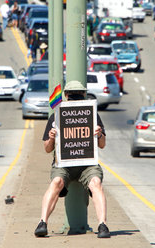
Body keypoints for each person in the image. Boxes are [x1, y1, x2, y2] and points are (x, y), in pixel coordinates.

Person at [34, 80, 110, 239]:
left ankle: (102, 224)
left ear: (84, 95)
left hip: (87, 164)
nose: (75, 97)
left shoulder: (92, 114)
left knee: (96, 182)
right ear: (66, 95)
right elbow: (47, 148)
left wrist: (99, 134)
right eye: (72, 94)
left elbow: (102, 145)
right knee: (56, 182)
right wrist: (51, 138)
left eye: (79, 94)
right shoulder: (56, 116)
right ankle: (42, 223)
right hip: (63, 164)